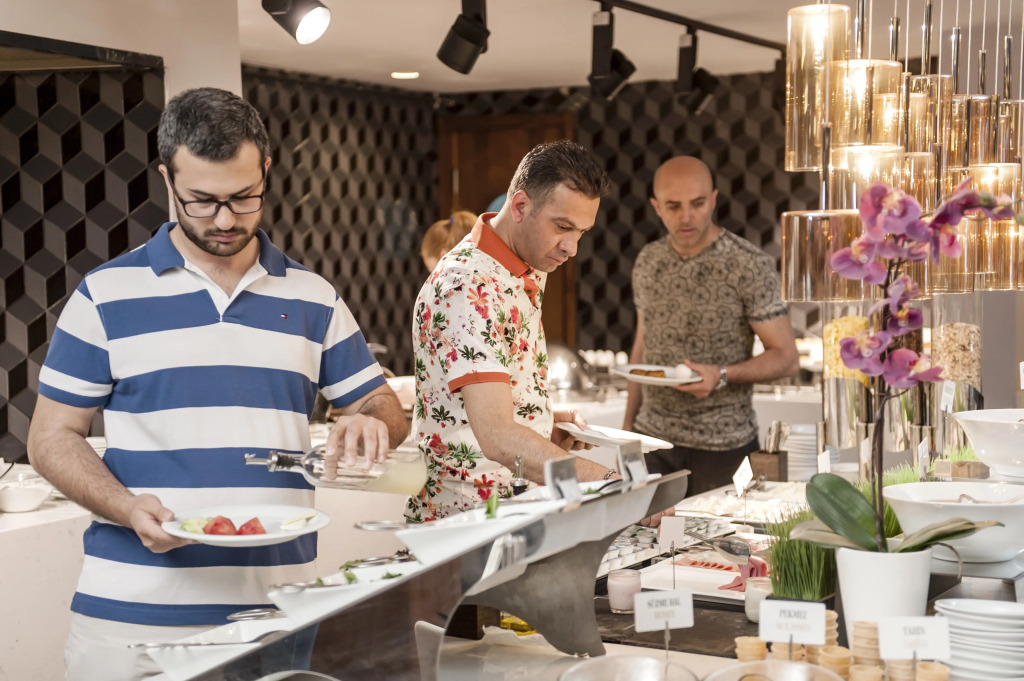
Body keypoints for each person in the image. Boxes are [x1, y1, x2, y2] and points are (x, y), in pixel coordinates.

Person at [26, 87, 408, 681]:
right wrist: (125, 507)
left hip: (277, 615)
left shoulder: (314, 297)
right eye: (202, 201)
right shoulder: (103, 295)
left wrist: (371, 422)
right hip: (132, 625)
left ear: (266, 172)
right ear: (167, 179)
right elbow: (51, 437)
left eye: (244, 197)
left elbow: (381, 405)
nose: (226, 220)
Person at [408, 140, 618, 522]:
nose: (572, 247)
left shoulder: (526, 261)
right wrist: (606, 482)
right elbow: (498, 436)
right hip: (466, 522)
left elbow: (487, 406)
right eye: (563, 227)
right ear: (520, 206)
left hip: (515, 509)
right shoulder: (466, 284)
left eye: (582, 232)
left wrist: (539, 423)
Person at [623, 156, 799, 496]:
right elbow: (643, 344)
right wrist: (628, 429)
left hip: (725, 448)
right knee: (642, 534)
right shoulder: (648, 261)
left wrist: (722, 375)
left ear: (714, 200)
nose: (686, 217)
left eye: (698, 203)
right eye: (673, 206)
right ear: (656, 207)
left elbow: (787, 358)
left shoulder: (749, 264)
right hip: (652, 444)